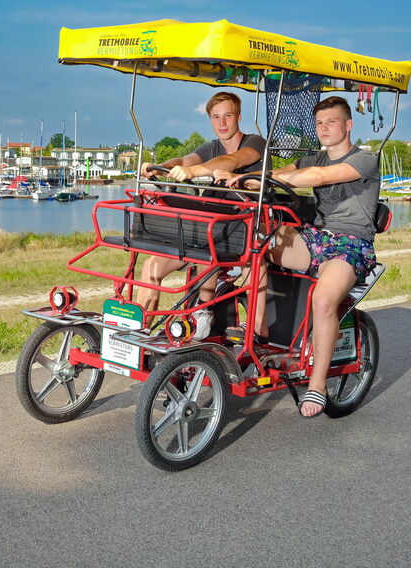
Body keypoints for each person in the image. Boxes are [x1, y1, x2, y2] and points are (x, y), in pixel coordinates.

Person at [227, 95, 379, 417]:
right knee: (256, 245)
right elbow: (285, 170)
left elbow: (318, 178)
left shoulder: (365, 159)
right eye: (320, 123)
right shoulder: (313, 157)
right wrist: (246, 179)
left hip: (352, 243)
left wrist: (277, 178)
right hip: (316, 237)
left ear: (348, 125)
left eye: (332, 122)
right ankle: (259, 331)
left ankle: (318, 385)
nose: (324, 128)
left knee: (323, 300)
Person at [137, 92, 266, 340]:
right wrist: (161, 166)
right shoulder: (210, 147)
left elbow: (232, 160)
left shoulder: (254, 143)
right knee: (151, 266)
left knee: (209, 253)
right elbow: (186, 159)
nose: (222, 123)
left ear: (238, 116)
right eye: (216, 117)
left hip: (244, 228)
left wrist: (192, 171)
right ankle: (140, 333)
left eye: (228, 115)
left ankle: (204, 314)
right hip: (209, 225)